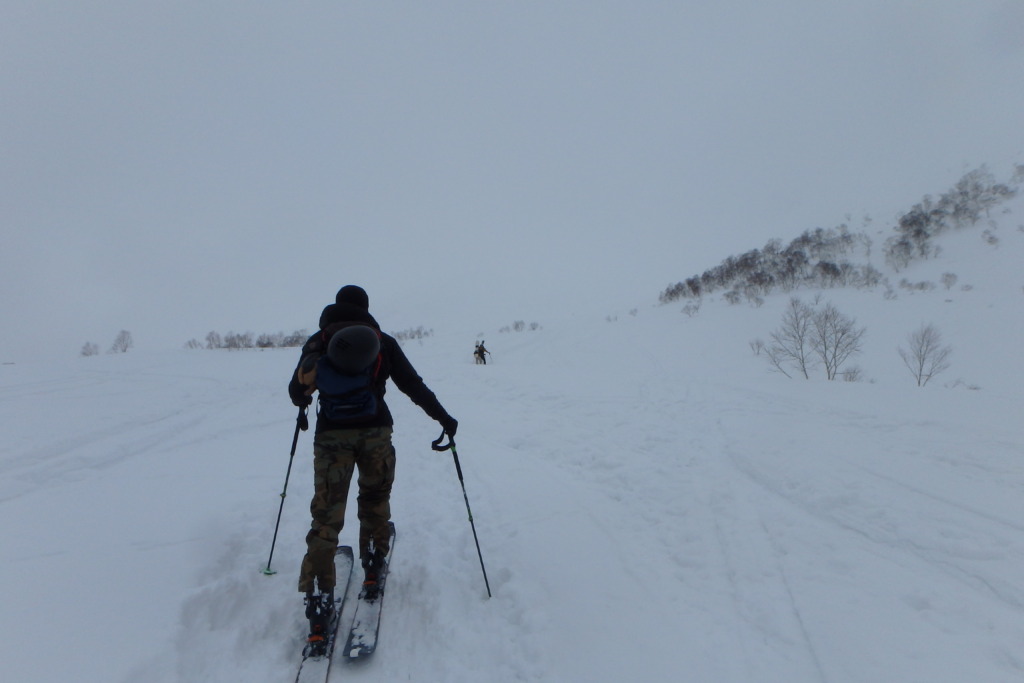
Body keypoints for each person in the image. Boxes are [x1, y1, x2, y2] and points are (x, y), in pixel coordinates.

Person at [288, 285, 458, 627]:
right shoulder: (382, 341)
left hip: (331, 438)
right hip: (376, 433)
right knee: (375, 496)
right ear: (365, 308)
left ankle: (318, 598)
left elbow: (296, 393)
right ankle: (373, 561)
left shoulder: (318, 341)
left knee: (326, 516)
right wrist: (443, 417)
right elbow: (412, 385)